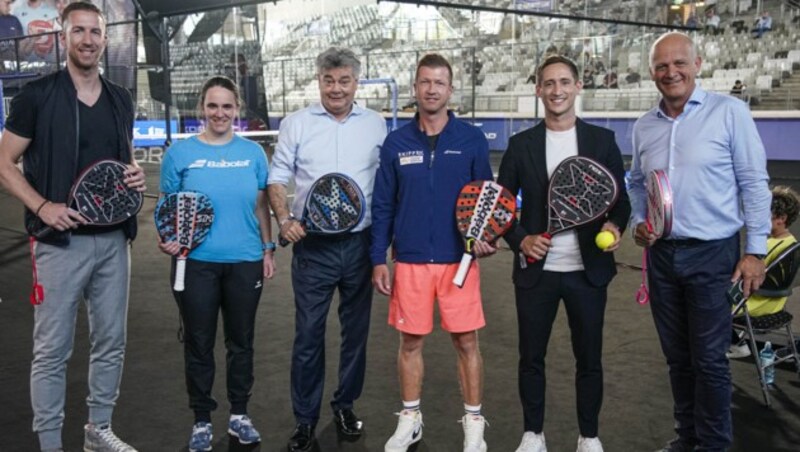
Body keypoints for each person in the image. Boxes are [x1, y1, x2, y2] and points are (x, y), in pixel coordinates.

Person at [0, 2, 144, 451]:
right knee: (52, 351)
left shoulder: (121, 98)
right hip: (59, 244)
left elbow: (119, 161)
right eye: (78, 31)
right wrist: (42, 206)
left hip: (114, 241)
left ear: (104, 38)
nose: (87, 39)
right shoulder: (37, 96)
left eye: (95, 32)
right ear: (64, 37)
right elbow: (4, 163)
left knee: (112, 343)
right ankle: (50, 444)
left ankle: (97, 430)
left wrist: (135, 172)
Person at [629, 32, 771, 452]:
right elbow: (636, 182)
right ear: (652, 72)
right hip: (661, 255)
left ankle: (713, 445)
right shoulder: (644, 126)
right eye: (661, 66)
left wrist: (756, 250)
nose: (670, 72)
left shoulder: (730, 113)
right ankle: (686, 437)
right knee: (678, 359)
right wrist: (639, 218)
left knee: (709, 361)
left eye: (679, 63)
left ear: (698, 64)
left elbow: (755, 184)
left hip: (714, 255)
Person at [497, 55, 630, 452]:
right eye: (549, 83)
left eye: (564, 82)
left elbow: (619, 201)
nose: (557, 90)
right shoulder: (520, 145)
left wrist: (614, 226)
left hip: (588, 274)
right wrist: (520, 240)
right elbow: (502, 207)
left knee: (589, 359)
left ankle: (588, 436)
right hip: (536, 272)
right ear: (538, 90)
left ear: (578, 87)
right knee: (530, 358)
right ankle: (533, 434)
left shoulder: (601, 142)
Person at [372, 53, 494, 452]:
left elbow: (485, 200)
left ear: (450, 89)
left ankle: (474, 423)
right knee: (410, 343)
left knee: (467, 342)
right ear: (415, 87)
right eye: (425, 82)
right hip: (409, 261)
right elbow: (383, 205)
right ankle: (410, 419)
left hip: (459, 261)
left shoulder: (471, 140)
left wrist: (486, 237)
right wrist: (378, 258)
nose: (431, 89)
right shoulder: (396, 143)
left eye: (439, 83)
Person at [267, 46, 387, 452]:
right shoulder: (296, 124)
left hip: (360, 246)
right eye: (329, 80)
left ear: (357, 82)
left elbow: (387, 186)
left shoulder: (377, 125)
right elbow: (277, 178)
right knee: (308, 336)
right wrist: (285, 221)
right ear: (318, 80)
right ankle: (305, 420)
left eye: (344, 80)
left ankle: (345, 406)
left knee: (355, 335)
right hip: (313, 249)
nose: (336, 88)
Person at [158, 76, 275, 452]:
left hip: (245, 260)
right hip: (196, 264)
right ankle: (202, 420)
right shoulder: (180, 154)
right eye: (213, 106)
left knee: (241, 343)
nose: (219, 113)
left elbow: (261, 206)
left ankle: (240, 416)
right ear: (202, 109)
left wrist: (267, 248)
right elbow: (168, 211)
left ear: (237, 110)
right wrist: (168, 240)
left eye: (227, 106)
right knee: (199, 344)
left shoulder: (254, 154)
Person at [727, 186, 799, 358]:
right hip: (776, 304)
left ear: (781, 218)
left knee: (706, 298)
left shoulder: (764, 248)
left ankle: (736, 343)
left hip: (755, 304)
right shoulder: (791, 243)